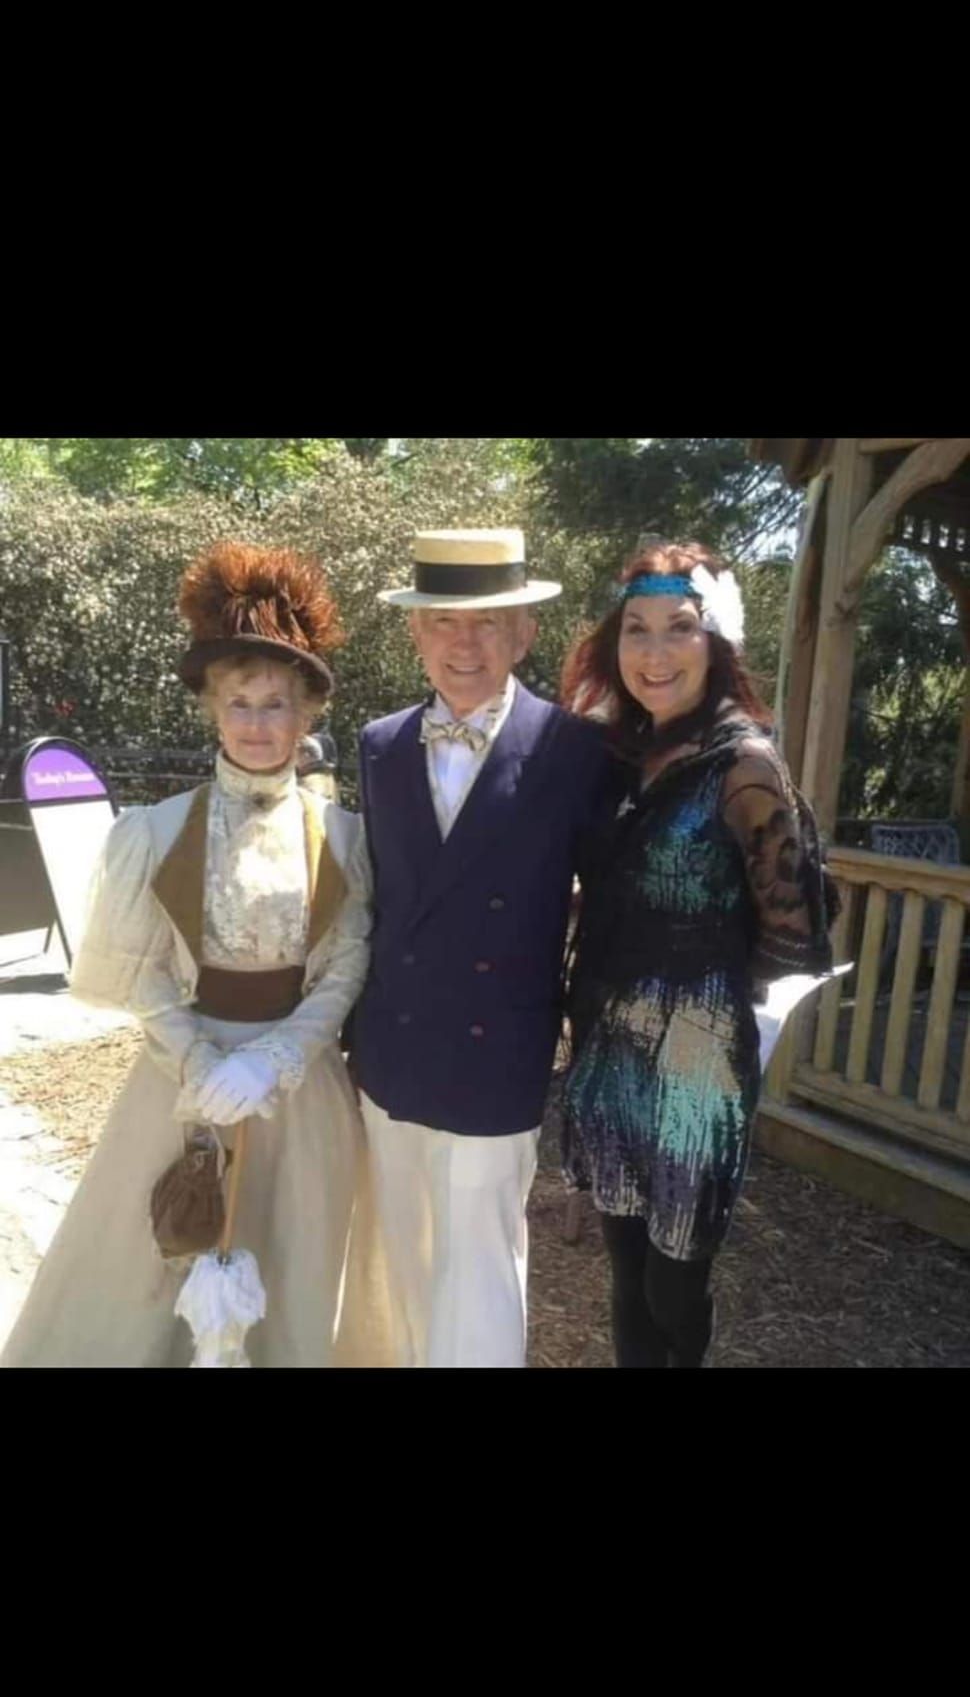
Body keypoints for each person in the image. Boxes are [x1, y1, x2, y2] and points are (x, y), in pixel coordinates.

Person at [2, 541, 382, 1368]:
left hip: (296, 1093)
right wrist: (199, 1060)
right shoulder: (156, 831)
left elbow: (347, 964)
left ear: (306, 716)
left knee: (291, 1261)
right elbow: (141, 971)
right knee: (154, 1266)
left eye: (276, 704)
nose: (257, 723)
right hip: (180, 1085)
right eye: (239, 702)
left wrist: (276, 1059)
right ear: (213, 708)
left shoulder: (344, 838)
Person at [560, 541, 837, 1369]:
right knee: (623, 1269)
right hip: (611, 1039)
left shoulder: (743, 766)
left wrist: (706, 970)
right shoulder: (619, 758)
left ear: (716, 640)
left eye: (679, 627)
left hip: (697, 1056)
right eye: (636, 629)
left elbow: (794, 931)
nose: (655, 652)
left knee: (672, 1285)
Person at [352, 528, 609, 1368]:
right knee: (407, 1257)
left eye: (488, 622)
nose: (464, 643)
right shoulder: (379, 745)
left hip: (496, 1053)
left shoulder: (575, 750)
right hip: (391, 1051)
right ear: (415, 633)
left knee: (482, 1269)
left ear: (524, 634)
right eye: (443, 621)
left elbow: (609, 906)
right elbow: (376, 901)